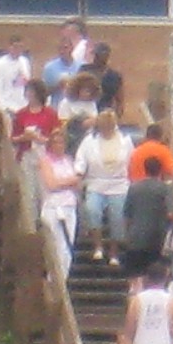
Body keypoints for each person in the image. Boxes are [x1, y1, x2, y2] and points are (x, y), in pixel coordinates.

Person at [74, 109, 134, 266]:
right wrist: (79, 173)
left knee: (117, 217)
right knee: (92, 210)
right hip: (96, 182)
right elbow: (81, 159)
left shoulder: (125, 141)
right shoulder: (89, 141)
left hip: (118, 184)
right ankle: (98, 246)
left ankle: (114, 251)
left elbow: (131, 162)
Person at [123, 156, 173, 291]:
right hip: (157, 240)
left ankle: (134, 303)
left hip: (135, 239)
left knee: (135, 281)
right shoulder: (165, 189)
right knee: (154, 281)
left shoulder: (134, 187)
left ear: (145, 169)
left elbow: (127, 215)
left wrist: (127, 235)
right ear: (160, 171)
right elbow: (171, 214)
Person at [11, 78, 60, 218]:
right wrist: (24, 137)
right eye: (27, 91)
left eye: (32, 92)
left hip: (45, 156)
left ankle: (46, 223)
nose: (29, 95)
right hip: (27, 155)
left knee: (44, 191)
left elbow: (57, 137)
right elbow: (13, 138)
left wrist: (41, 139)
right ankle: (30, 227)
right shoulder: (21, 114)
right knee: (28, 194)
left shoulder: (50, 113)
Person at [39, 127, 81, 278]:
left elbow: (78, 183)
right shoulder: (45, 161)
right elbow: (51, 184)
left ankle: (63, 279)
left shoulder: (69, 160)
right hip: (53, 207)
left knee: (67, 247)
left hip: (69, 206)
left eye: (61, 142)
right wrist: (69, 181)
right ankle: (52, 279)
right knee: (55, 245)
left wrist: (65, 183)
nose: (59, 145)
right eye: (55, 142)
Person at [57, 71, 99, 155]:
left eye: (90, 91)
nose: (88, 94)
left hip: (89, 141)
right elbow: (63, 124)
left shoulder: (91, 104)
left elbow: (95, 120)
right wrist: (80, 124)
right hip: (71, 142)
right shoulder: (66, 103)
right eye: (85, 90)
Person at [80, 42, 124, 117]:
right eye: (95, 55)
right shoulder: (85, 70)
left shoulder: (114, 76)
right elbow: (76, 90)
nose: (95, 58)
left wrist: (116, 117)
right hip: (85, 112)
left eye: (98, 55)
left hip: (105, 114)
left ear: (106, 56)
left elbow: (119, 100)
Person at [0, 34, 31, 115]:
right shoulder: (1, 64)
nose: (18, 50)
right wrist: (3, 107)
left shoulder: (25, 61)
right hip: (8, 106)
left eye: (21, 47)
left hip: (23, 106)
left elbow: (27, 83)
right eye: (15, 47)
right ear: (9, 47)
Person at [41, 36, 80, 110]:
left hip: (76, 108)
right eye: (60, 48)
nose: (62, 51)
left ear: (72, 48)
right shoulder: (50, 68)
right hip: (57, 108)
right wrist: (58, 86)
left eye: (65, 48)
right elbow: (44, 93)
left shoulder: (80, 66)